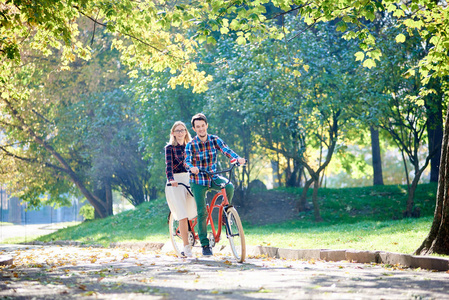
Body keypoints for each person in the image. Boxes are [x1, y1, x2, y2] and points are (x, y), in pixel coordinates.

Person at [185, 113, 246, 256]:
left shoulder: (214, 140)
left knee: (228, 186)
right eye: (197, 127)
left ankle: (226, 212)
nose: (201, 129)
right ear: (194, 129)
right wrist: (191, 167)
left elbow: (226, 150)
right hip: (198, 180)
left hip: (213, 176)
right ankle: (205, 245)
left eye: (202, 125)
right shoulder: (191, 145)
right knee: (202, 212)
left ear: (207, 125)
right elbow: (187, 161)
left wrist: (237, 159)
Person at [165, 121, 197, 258]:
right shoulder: (169, 148)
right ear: (173, 133)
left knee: (198, 208)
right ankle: (186, 247)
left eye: (182, 130)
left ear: (186, 132)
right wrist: (171, 179)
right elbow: (169, 166)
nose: (180, 133)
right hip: (176, 182)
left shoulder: (191, 146)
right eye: (177, 130)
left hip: (190, 179)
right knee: (183, 215)